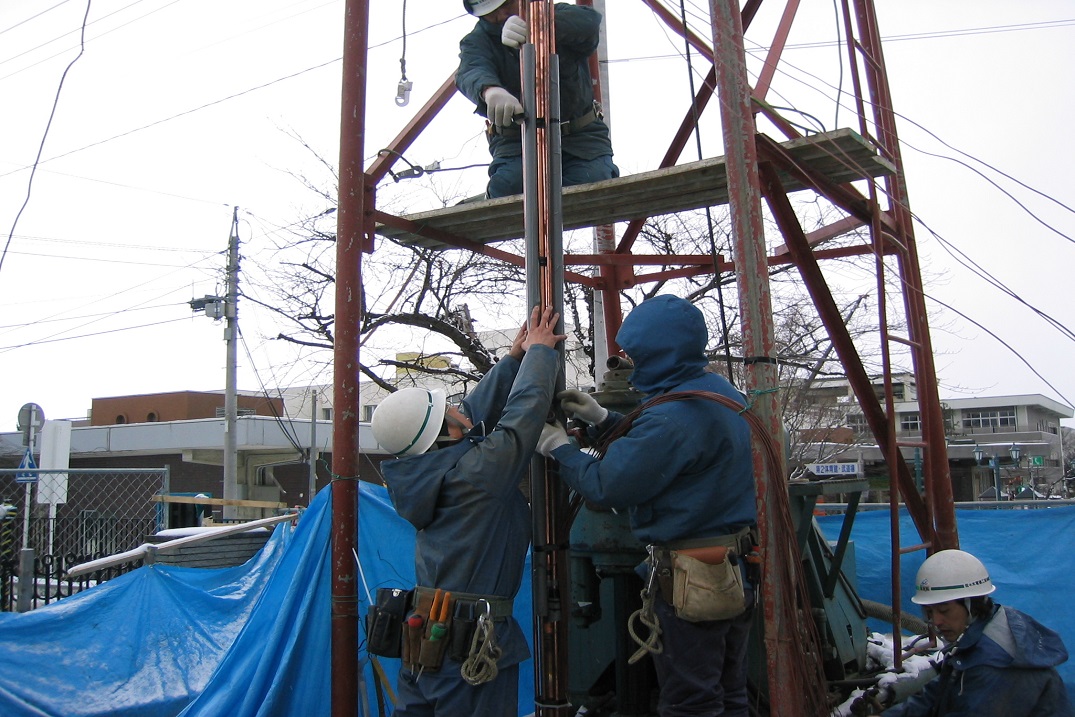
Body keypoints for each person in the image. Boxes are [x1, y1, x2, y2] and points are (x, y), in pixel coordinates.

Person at [535, 294, 758, 717]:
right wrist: (604, 419)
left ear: (659, 352)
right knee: (729, 693)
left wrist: (559, 449)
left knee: (691, 702)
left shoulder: (672, 419)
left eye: (638, 355)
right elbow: (673, 453)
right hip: (733, 568)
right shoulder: (717, 393)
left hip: (692, 577)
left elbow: (605, 486)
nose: (633, 363)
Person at [370, 305, 566, 716]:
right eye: (449, 411)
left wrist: (514, 359)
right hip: (471, 643)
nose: (460, 407)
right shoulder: (474, 475)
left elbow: (471, 417)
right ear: (446, 430)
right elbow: (520, 422)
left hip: (425, 643)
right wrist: (541, 355)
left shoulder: (422, 471)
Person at [882, 549, 1073, 717]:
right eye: (929, 612)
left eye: (944, 610)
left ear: (971, 604)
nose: (936, 621)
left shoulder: (995, 663)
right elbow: (941, 690)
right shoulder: (988, 623)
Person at [457, 0, 618, 198]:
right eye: (491, 13)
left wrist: (539, 24)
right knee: (509, 188)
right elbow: (471, 69)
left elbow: (588, 25)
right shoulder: (477, 41)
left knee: (595, 183)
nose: (500, 15)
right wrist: (490, 90)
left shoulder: (558, 14)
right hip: (518, 141)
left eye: (505, 6)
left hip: (581, 137)